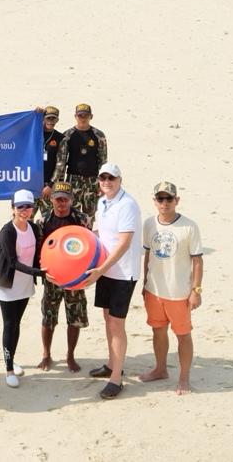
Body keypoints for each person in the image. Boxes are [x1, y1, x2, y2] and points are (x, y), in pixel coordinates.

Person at [82, 162, 142, 400]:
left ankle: (116, 378)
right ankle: (111, 363)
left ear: (120, 180)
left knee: (117, 325)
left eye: (111, 178)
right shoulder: (103, 202)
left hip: (122, 273)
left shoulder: (127, 204)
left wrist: (99, 270)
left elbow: (124, 242)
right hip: (106, 270)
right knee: (107, 319)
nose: (107, 181)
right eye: (103, 178)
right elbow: (103, 234)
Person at [139, 181, 204, 395]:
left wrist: (196, 291)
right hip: (154, 290)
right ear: (155, 201)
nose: (164, 203)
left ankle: (184, 378)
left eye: (169, 199)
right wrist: (144, 282)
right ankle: (160, 369)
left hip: (179, 293)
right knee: (158, 331)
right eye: (160, 198)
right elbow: (148, 253)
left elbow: (197, 260)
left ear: (177, 200)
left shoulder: (189, 226)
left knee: (183, 334)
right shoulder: (149, 224)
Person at [36, 181, 91, 372]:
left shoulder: (82, 219)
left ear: (71, 200)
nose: (61, 203)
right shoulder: (43, 221)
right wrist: (42, 273)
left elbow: (91, 247)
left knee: (74, 318)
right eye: (58, 199)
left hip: (75, 279)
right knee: (48, 317)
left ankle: (70, 356)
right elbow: (39, 250)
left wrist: (87, 274)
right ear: (51, 200)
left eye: (65, 200)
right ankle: (46, 354)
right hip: (53, 278)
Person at [0, 189, 45, 388]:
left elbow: (38, 255)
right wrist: (38, 272)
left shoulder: (33, 227)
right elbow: (12, 262)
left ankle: (12, 358)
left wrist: (40, 270)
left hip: (25, 285)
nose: (24, 210)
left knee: (17, 324)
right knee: (9, 324)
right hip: (9, 286)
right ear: (12, 208)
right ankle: (8, 369)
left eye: (28, 206)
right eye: (20, 206)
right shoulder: (7, 231)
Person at [50, 103, 107, 226]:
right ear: (75, 116)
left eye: (85, 115)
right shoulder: (67, 135)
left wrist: (102, 183)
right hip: (73, 180)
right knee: (70, 212)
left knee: (89, 216)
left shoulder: (99, 135)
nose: (83, 118)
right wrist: (60, 183)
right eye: (80, 115)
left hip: (92, 181)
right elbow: (62, 160)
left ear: (91, 116)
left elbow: (103, 161)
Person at [38, 105, 63, 219]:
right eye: (48, 118)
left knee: (47, 219)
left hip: (48, 187)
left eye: (54, 119)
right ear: (43, 118)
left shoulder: (60, 139)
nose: (51, 121)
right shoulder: (33, 133)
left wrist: (50, 185)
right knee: (26, 218)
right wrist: (34, 114)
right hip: (31, 184)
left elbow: (60, 164)